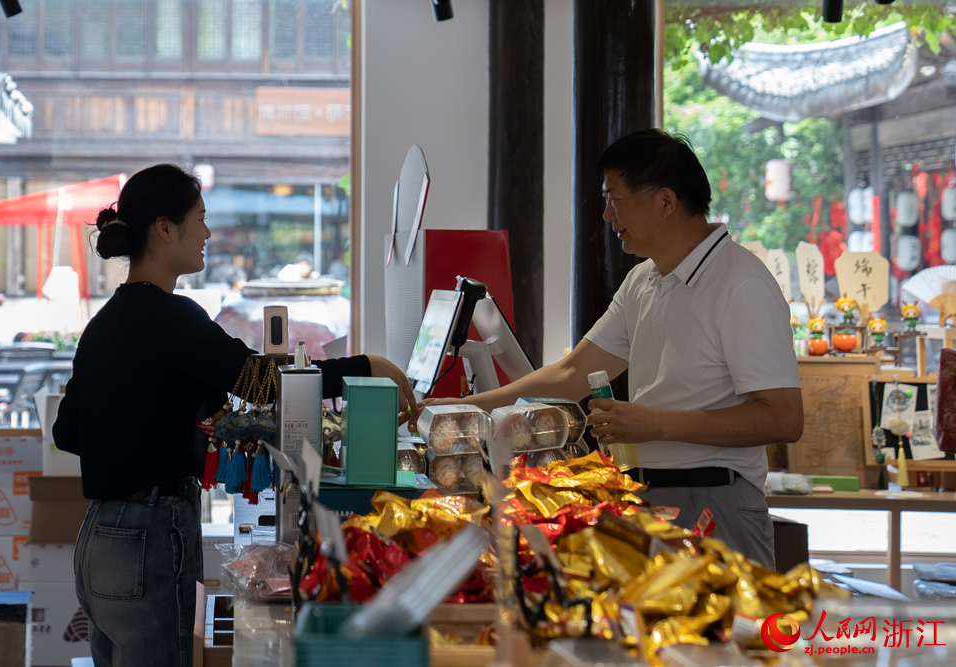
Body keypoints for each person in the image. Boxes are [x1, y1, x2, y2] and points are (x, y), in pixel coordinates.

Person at [52, 164, 415, 667]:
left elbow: (68, 431)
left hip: (98, 539)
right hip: (151, 537)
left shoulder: (102, 324)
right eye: (198, 219)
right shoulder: (171, 315)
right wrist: (368, 366)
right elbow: (259, 382)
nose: (206, 233)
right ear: (164, 228)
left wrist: (173, 410)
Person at [412, 130, 802, 568]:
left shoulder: (742, 284)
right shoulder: (644, 280)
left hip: (714, 499)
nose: (606, 214)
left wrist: (653, 423)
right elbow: (572, 373)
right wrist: (465, 408)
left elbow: (783, 418)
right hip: (645, 498)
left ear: (666, 202)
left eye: (615, 200)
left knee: (719, 636)